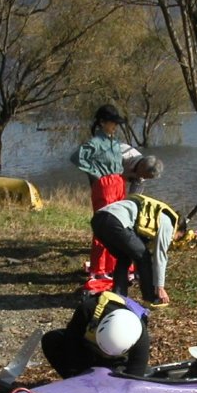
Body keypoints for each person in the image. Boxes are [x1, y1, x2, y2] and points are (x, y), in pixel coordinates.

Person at [90, 193, 189, 307]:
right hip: (115, 221)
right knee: (143, 257)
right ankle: (150, 298)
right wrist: (160, 287)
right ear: (179, 230)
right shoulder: (168, 224)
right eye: (177, 238)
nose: (173, 240)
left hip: (98, 219)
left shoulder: (157, 216)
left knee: (124, 257)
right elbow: (160, 257)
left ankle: (118, 297)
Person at [70, 104, 128, 279]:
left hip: (118, 183)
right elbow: (76, 158)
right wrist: (96, 175)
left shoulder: (114, 142)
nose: (115, 126)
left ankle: (112, 266)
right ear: (102, 122)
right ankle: (98, 269)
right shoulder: (95, 142)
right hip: (105, 185)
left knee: (118, 225)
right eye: (112, 122)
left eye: (116, 123)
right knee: (104, 226)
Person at [41, 290, 150, 378]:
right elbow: (71, 343)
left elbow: (135, 373)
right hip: (87, 350)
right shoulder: (88, 309)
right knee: (51, 339)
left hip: (117, 363)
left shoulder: (140, 334)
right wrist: (78, 377)